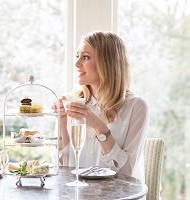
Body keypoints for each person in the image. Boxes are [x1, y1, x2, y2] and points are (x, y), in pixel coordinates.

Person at [52, 31, 149, 183]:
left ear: (107, 62)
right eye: (77, 56)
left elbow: (126, 173)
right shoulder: (73, 103)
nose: (77, 64)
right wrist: (62, 123)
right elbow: (62, 169)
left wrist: (98, 126)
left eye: (85, 57)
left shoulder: (136, 106)